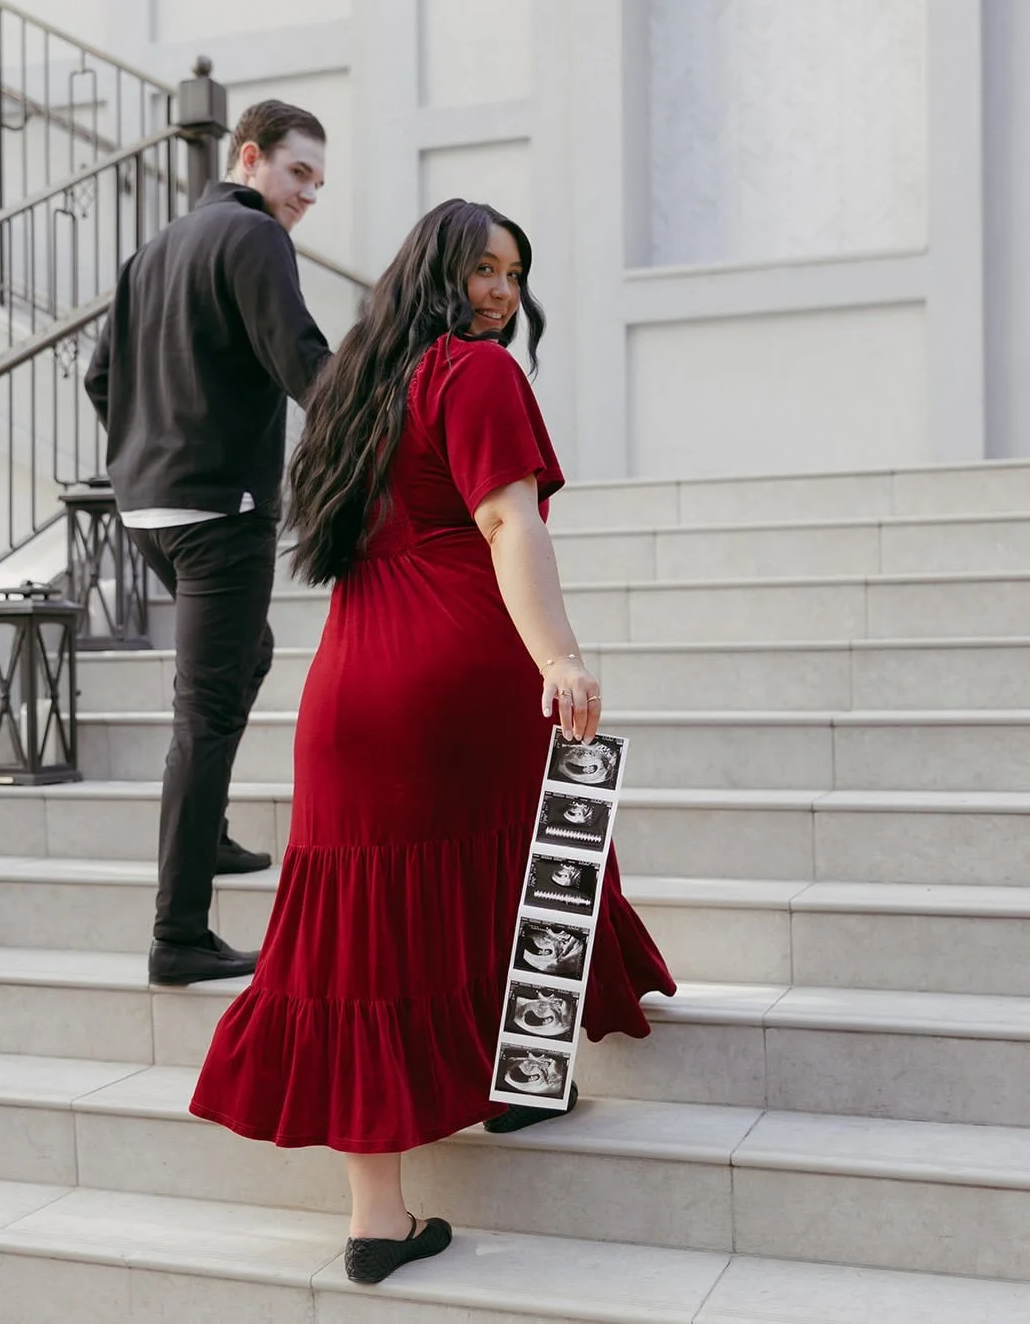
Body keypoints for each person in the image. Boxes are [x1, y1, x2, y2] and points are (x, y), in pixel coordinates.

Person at [189, 198, 675, 1282]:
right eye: (483, 272)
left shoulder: (357, 391)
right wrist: (558, 657)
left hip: (351, 685)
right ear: (435, 279)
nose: (502, 294)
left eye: (514, 273)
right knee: (522, 858)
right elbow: (507, 519)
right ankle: (515, 1080)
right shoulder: (475, 373)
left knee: (360, 932)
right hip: (456, 670)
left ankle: (382, 1214)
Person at [85, 100, 332, 987]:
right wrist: (385, 428)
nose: (306, 195)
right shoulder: (255, 238)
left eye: (316, 183)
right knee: (207, 711)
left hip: (148, 508)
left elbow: (98, 373)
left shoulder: (155, 249)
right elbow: (299, 354)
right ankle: (179, 935)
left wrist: (139, 456)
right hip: (220, 513)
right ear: (251, 156)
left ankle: (209, 831)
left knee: (246, 654)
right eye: (297, 173)